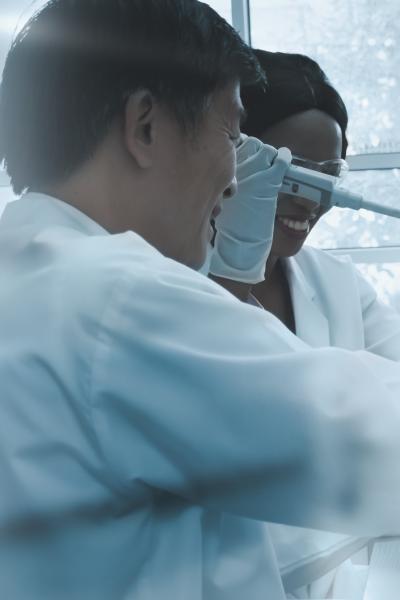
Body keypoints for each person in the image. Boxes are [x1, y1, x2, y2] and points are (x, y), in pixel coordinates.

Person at [1, 3, 400, 600]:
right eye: (232, 134)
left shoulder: (29, 268)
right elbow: (377, 442)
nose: (237, 178)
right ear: (145, 127)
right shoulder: (115, 296)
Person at [210, 50, 400, 599]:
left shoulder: (336, 282)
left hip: (349, 564)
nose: (312, 199)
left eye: (330, 177)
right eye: (294, 172)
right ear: (240, 158)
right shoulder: (179, 283)